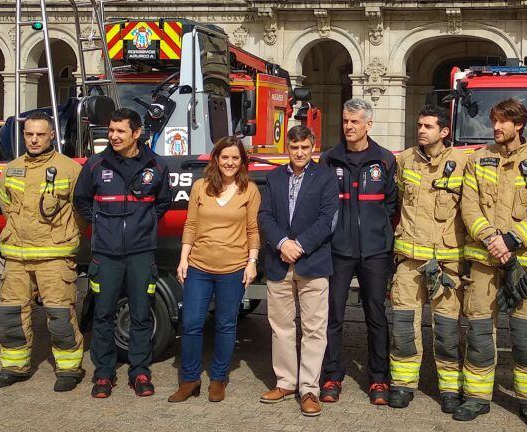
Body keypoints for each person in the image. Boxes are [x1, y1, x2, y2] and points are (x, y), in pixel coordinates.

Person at [458, 98, 527, 424]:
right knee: (479, 331)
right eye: (494, 121)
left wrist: (512, 240)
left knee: (526, 334)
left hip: (524, 263)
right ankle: (476, 397)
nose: (496, 128)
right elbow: (469, 207)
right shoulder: (478, 160)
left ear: (519, 125)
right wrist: (491, 239)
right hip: (485, 262)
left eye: (503, 122)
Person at [73, 108, 172, 398]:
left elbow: (162, 202)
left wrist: (145, 223)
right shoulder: (95, 164)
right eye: (111, 131)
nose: (113, 136)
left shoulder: (157, 166)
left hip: (142, 253)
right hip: (105, 253)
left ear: (136, 133)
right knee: (102, 314)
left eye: (120, 131)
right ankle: (103, 374)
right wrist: (103, 223)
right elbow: (81, 200)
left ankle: (140, 371)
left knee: (142, 313)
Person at [0, 111, 86, 392]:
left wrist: (65, 235)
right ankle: (14, 368)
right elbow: (6, 203)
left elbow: (81, 210)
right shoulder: (12, 168)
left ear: (52, 135)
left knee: (60, 317)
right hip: (17, 255)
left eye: (40, 134)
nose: (34, 139)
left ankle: (69, 369)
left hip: (54, 256)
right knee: (11, 315)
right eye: (29, 134)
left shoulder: (70, 169)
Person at [386, 105, 469, 413]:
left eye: (428, 126)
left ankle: (449, 389)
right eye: (419, 125)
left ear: (444, 132)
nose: (421, 130)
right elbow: (395, 203)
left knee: (447, 330)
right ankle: (403, 385)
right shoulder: (404, 160)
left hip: (447, 263)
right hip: (409, 260)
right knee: (404, 327)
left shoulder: (463, 163)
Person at [319, 98, 399, 405]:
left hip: (374, 252)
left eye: (355, 122)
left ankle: (379, 379)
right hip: (338, 251)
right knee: (333, 316)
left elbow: (391, 204)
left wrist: (377, 232)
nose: (349, 127)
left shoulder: (385, 160)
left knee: (376, 315)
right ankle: (331, 375)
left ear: (368, 125)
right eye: (345, 121)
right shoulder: (329, 159)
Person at [169, 136, 261, 403]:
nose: (230, 162)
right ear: (216, 159)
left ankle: (218, 378)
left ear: (242, 161)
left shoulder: (250, 190)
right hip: (199, 266)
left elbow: (253, 229)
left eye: (235, 158)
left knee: (225, 325)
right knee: (191, 324)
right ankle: (190, 379)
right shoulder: (200, 186)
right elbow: (190, 225)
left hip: (233, 268)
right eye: (225, 157)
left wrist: (252, 262)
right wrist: (183, 258)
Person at [257, 126, 339, 417]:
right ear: (288, 148)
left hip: (312, 261)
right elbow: (264, 216)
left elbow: (327, 219)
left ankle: (309, 389)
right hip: (279, 262)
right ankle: (286, 382)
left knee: (315, 330)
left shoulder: (326, 177)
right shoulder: (274, 177)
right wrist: (281, 243)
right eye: (295, 148)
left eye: (305, 147)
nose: (300, 153)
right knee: (281, 328)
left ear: (313, 147)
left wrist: (299, 245)